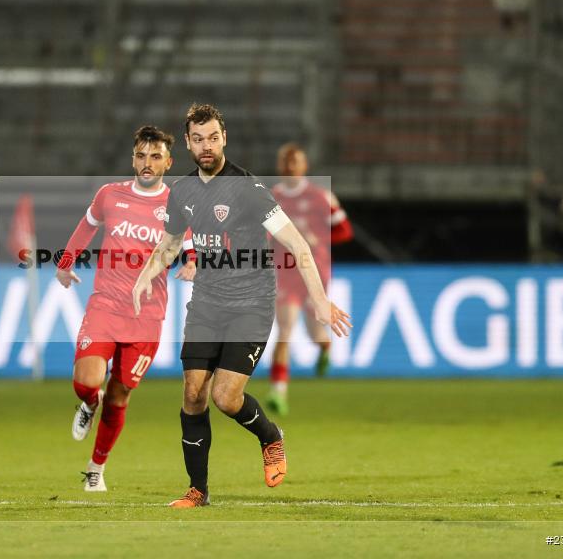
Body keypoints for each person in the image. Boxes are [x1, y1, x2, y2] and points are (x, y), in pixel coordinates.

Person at [132, 103, 351, 508]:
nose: (207, 146)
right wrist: (145, 276)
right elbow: (170, 244)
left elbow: (297, 244)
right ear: (187, 144)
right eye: (199, 139)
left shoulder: (249, 189)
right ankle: (198, 490)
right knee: (193, 392)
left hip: (251, 304)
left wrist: (320, 301)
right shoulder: (182, 191)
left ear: (224, 139)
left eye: (213, 138)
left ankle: (270, 436)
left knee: (226, 398)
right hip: (206, 304)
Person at [55, 125, 195, 492]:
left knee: (119, 396)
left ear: (168, 162)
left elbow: (190, 243)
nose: (147, 162)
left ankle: (95, 469)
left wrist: (194, 263)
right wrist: (65, 263)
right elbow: (86, 227)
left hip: (146, 316)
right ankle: (90, 402)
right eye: (141, 155)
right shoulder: (109, 195)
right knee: (86, 383)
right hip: (105, 305)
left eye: (155, 156)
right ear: (133, 159)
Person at [268, 143, 354, 416]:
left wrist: (318, 240)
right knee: (285, 329)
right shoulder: (271, 198)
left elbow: (344, 231)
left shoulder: (320, 197)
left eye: (295, 161)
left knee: (314, 332)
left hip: (315, 273)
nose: (290, 166)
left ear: (304, 166)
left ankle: (325, 348)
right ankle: (278, 392)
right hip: (285, 273)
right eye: (286, 161)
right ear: (280, 166)